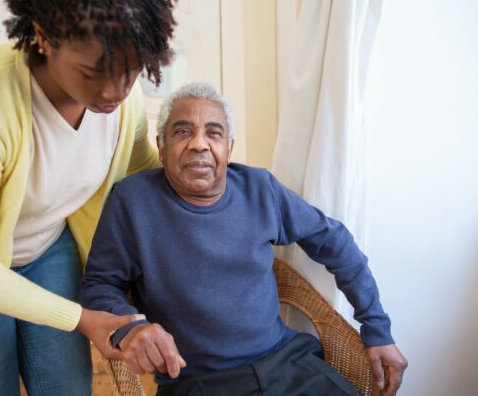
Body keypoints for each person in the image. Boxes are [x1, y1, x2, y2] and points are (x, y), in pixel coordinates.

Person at [80, 82, 408, 396]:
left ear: (229, 148)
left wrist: (376, 327)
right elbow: (98, 284)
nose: (198, 144)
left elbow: (334, 242)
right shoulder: (132, 201)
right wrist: (130, 327)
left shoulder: (259, 188)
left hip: (288, 365)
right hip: (199, 382)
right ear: (161, 147)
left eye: (214, 133)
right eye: (182, 131)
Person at [0, 0, 177, 395]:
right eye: (92, 73)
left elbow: (141, 168)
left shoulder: (122, 103)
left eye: (131, 72)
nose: (115, 91)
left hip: (47, 245)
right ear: (43, 36)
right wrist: (81, 319)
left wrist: (229, 184)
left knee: (67, 387)